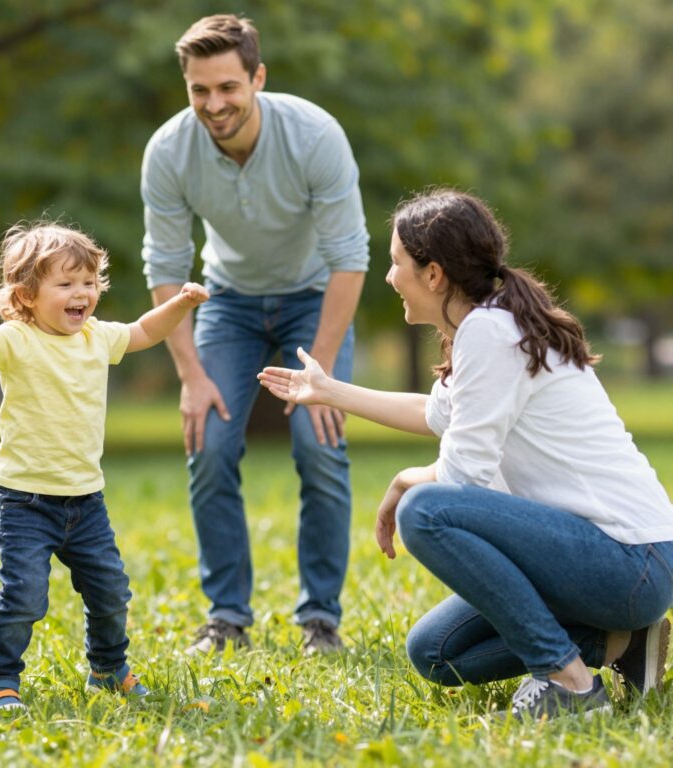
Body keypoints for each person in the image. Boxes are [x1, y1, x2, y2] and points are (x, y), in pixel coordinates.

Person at [258, 188, 673, 719]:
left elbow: (463, 476)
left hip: (628, 559)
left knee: (425, 512)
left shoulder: (489, 332)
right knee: (435, 651)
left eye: (396, 263)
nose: (389, 277)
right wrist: (328, 389)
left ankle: (569, 686)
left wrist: (407, 481)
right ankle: (622, 646)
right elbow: (435, 415)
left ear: (434, 275)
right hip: (612, 560)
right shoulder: (488, 324)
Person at [140, 14, 370, 654]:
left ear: (257, 78)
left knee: (318, 445)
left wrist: (320, 368)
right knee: (209, 445)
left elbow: (351, 256)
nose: (214, 104)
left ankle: (320, 619)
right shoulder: (168, 151)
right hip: (228, 302)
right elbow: (163, 267)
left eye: (228, 88)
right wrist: (189, 375)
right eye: (199, 90)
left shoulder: (314, 136)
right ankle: (226, 619)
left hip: (314, 298)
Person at [0, 221, 209, 711]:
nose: (81, 294)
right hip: (26, 499)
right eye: (65, 284)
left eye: (88, 283)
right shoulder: (16, 340)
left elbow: (144, 330)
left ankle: (108, 669)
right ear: (26, 296)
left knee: (111, 590)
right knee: (24, 594)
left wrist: (181, 304)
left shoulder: (96, 337)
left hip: (86, 500)